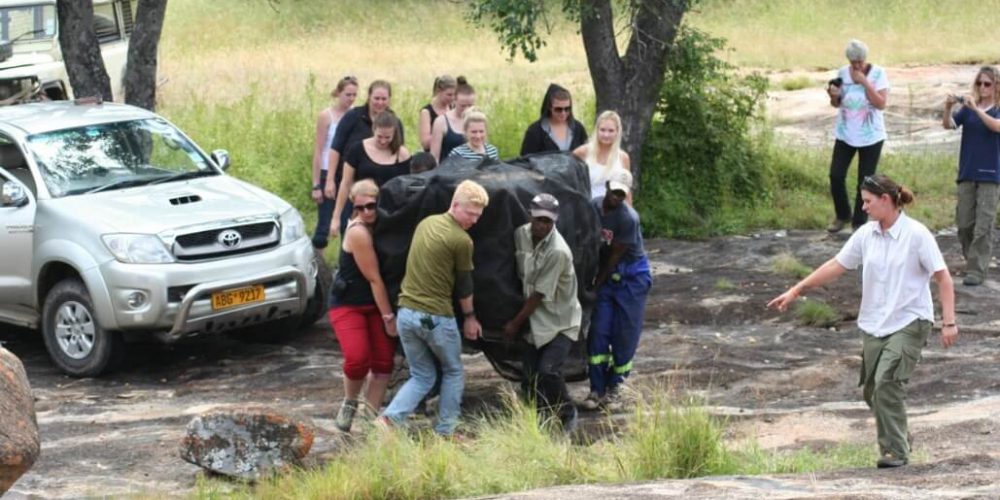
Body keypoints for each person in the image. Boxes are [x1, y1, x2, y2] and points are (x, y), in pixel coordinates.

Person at [768, 173, 957, 469]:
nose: (864, 207)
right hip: (874, 323)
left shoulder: (917, 234)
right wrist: (797, 289)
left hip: (910, 320)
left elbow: (943, 278)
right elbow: (836, 265)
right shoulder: (866, 234)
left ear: (886, 200)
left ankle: (895, 452)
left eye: (868, 202)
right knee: (872, 391)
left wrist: (949, 322)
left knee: (886, 384)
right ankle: (901, 435)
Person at [379, 180, 489, 437]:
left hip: (406, 314)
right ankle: (446, 431)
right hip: (435, 316)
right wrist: (470, 317)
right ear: (455, 204)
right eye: (470, 213)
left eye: (478, 215)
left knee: (422, 375)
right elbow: (464, 285)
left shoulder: (425, 223)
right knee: (452, 371)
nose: (473, 220)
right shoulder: (461, 240)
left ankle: (387, 421)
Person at [503, 193, 581, 433]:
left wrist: (514, 324)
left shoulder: (558, 251)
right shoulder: (520, 235)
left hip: (560, 321)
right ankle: (540, 420)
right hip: (535, 321)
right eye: (538, 219)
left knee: (548, 371)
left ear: (554, 221)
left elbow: (538, 295)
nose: (541, 225)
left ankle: (568, 414)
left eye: (547, 221)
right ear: (530, 215)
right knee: (530, 377)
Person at [328, 179, 398, 433]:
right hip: (349, 304)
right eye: (360, 207)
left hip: (373, 305)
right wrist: (389, 317)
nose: (367, 211)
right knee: (357, 358)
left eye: (372, 206)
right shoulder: (358, 231)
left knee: (383, 363)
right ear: (354, 208)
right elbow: (373, 278)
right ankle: (350, 401)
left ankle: (369, 416)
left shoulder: (382, 223)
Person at [581, 170, 652, 410]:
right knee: (599, 332)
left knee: (624, 335)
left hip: (631, 276)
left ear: (626, 194)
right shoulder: (593, 207)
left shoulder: (628, 219)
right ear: (607, 187)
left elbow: (613, 256)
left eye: (622, 194)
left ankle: (615, 388)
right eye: (614, 192)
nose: (616, 197)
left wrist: (594, 286)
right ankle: (596, 389)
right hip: (606, 275)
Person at [942, 66, 1000, 286]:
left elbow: (996, 127)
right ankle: (972, 260)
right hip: (967, 171)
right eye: (979, 83)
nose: (982, 88)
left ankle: (977, 269)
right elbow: (949, 125)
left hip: (991, 174)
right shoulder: (968, 109)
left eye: (987, 84)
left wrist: (976, 109)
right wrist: (948, 108)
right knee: (965, 223)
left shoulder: (994, 109)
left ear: (996, 86)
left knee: (983, 225)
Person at [825, 39, 890, 233]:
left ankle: (859, 222)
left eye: (860, 62)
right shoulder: (842, 73)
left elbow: (881, 104)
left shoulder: (878, 73)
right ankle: (842, 215)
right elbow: (836, 104)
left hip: (871, 136)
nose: (857, 66)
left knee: (865, 180)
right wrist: (833, 95)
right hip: (845, 133)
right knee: (836, 175)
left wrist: (864, 82)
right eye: (853, 62)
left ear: (865, 59)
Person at [324, 80, 401, 235]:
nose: (380, 103)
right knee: (351, 232)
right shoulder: (353, 116)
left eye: (384, 99)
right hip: (352, 184)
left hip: (382, 191)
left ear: (389, 99)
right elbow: (335, 148)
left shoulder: (394, 122)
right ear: (369, 97)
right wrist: (330, 179)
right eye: (376, 98)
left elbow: (398, 153)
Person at [331, 110, 411, 235]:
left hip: (390, 214)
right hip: (363, 211)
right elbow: (345, 184)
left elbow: (406, 189)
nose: (383, 141)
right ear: (374, 129)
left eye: (388, 137)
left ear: (394, 133)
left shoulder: (402, 154)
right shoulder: (357, 149)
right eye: (379, 136)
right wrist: (336, 217)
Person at [310, 75, 358, 249]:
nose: (351, 99)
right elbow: (319, 149)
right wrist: (316, 184)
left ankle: (345, 265)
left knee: (347, 221)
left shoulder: (355, 115)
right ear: (338, 93)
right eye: (347, 94)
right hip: (326, 171)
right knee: (324, 224)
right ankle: (317, 264)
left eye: (354, 95)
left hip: (347, 172)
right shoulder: (327, 116)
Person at [573, 110, 631, 199]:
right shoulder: (582, 152)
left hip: (614, 209)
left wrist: (630, 212)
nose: (606, 135)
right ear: (597, 130)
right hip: (587, 208)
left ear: (617, 132)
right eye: (602, 130)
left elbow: (627, 192)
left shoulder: (623, 158)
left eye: (611, 131)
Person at [520, 84, 588, 156]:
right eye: (558, 109)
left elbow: (588, 155)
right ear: (549, 107)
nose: (563, 113)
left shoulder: (578, 128)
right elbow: (525, 160)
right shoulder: (535, 131)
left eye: (567, 109)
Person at [430, 76, 476, 162]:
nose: (466, 109)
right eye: (463, 105)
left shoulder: (477, 120)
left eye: (470, 105)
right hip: (447, 171)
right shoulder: (441, 122)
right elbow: (434, 158)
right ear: (454, 101)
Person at [419, 75, 456, 152]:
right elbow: (425, 143)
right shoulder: (426, 112)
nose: (452, 98)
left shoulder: (454, 108)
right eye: (449, 95)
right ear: (439, 91)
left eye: (454, 95)